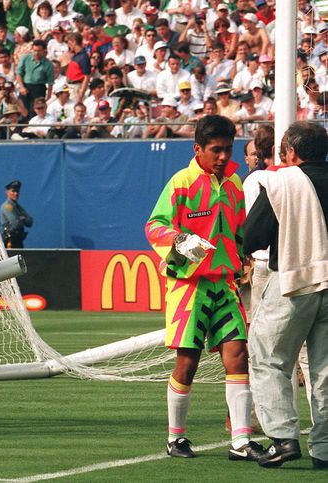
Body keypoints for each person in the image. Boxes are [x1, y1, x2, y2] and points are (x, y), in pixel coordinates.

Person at [145, 115, 265, 460]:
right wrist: (185, 244)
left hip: (225, 285)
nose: (224, 157)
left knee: (238, 354)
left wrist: (245, 257)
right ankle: (175, 438)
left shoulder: (234, 185)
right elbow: (155, 226)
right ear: (198, 149)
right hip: (189, 287)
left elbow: (240, 230)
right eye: (216, 150)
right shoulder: (181, 183)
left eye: (228, 149)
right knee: (188, 363)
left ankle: (241, 441)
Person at [244, 122, 328, 469]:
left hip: (294, 279)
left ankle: (282, 438)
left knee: (268, 358)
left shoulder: (280, 181)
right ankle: (324, 448)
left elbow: (252, 238)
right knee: (324, 369)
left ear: (291, 152)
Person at [0, 180, 33, 249]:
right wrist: (22, 219)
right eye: (13, 191)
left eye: (17, 191)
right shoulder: (7, 206)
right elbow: (15, 223)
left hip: (18, 240)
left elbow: (30, 222)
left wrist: (23, 219)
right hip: (10, 240)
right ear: (7, 192)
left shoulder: (18, 207)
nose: (16, 193)